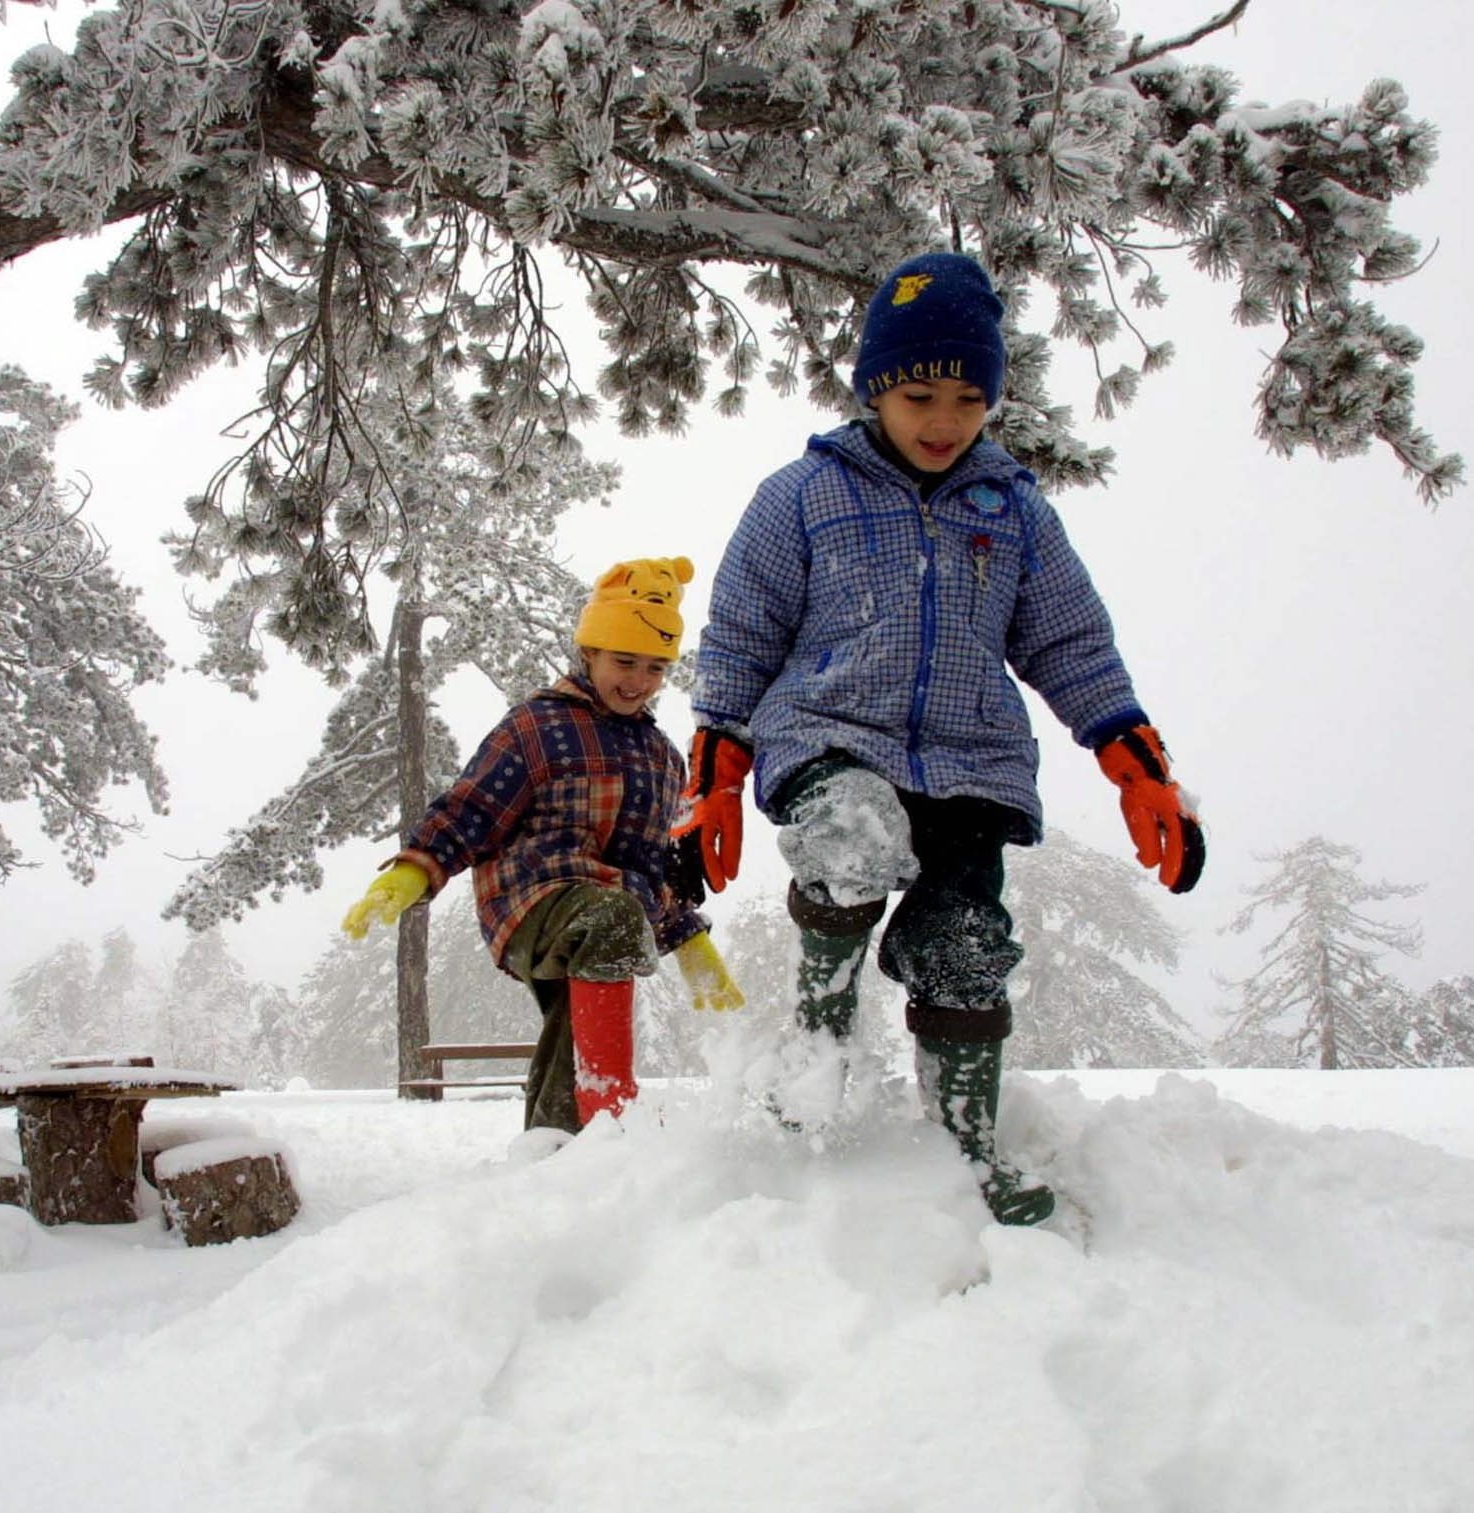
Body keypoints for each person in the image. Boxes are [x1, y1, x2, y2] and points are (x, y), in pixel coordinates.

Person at [671, 251, 1205, 1226]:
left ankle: (964, 1148)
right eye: (917, 393)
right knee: (854, 831)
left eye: (967, 398)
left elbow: (1070, 642)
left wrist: (1136, 767)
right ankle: (818, 1047)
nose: (941, 419)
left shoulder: (1014, 514)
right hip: (830, 735)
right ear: (876, 388)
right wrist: (715, 770)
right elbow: (741, 635)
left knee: (964, 946)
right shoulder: (800, 495)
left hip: (968, 766)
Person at [343, 556, 746, 1136]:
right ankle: (610, 1114)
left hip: (612, 913)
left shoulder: (663, 759)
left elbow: (649, 869)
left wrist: (690, 943)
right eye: (624, 661)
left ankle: (555, 1146)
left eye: (656, 668)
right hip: (530, 899)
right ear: (589, 653)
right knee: (610, 919)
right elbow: (473, 810)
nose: (638, 680)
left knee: (574, 1023)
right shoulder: (537, 726)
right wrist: (412, 871)